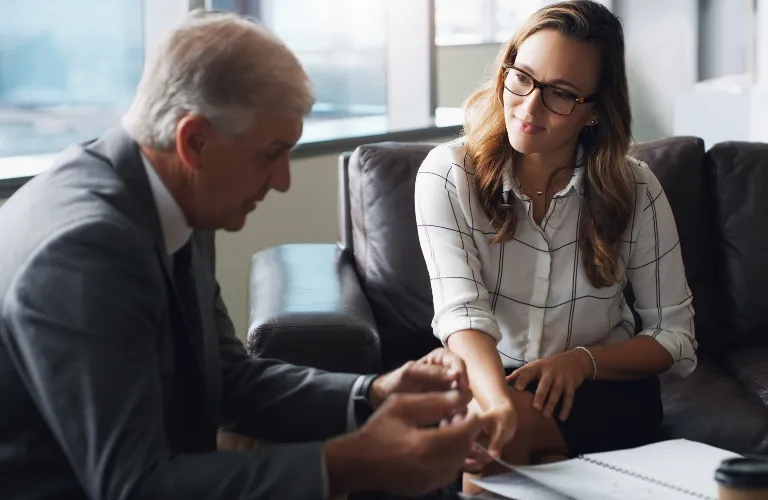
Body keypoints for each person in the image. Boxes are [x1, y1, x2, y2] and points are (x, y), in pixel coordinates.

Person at [0, 11, 485, 500]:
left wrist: (373, 394)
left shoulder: (168, 195)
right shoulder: (85, 251)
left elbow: (227, 378)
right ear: (194, 141)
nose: (282, 180)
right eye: (271, 152)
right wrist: (350, 464)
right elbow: (134, 486)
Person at [414, 0, 698, 493]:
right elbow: (462, 313)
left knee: (498, 439)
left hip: (602, 390)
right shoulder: (447, 173)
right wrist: (496, 401)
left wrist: (582, 360)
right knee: (503, 432)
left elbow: (675, 337)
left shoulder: (636, 189)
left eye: (561, 94)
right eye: (521, 76)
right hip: (490, 378)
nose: (528, 107)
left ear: (594, 111)